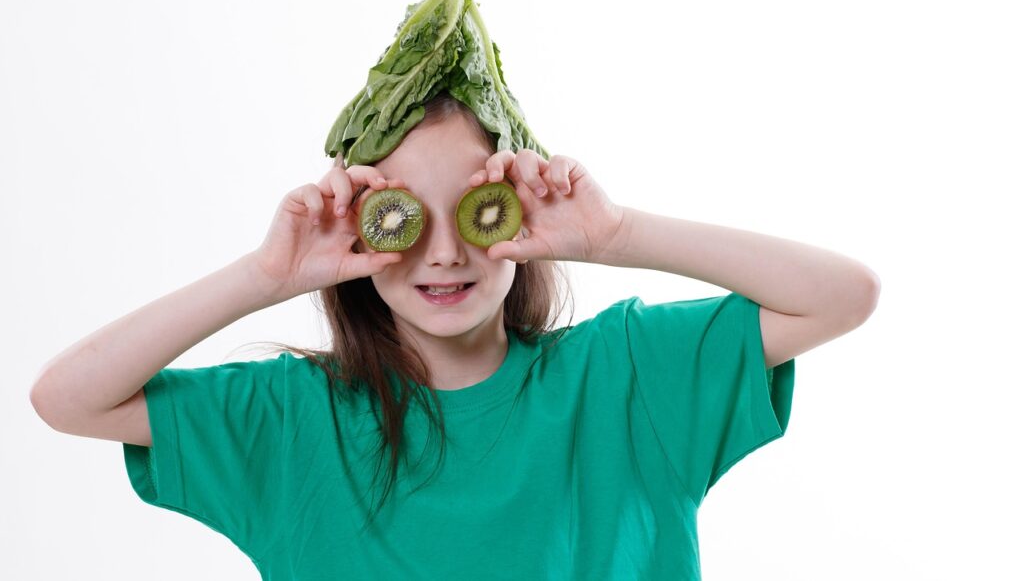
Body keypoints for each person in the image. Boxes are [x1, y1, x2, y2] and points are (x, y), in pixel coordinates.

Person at [30, 90, 880, 579]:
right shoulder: (291, 421)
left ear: (519, 212)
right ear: (362, 231)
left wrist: (620, 236)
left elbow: (843, 295)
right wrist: (266, 277)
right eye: (403, 217)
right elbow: (65, 398)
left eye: (475, 212)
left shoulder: (625, 376)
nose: (444, 251)